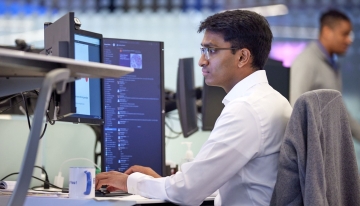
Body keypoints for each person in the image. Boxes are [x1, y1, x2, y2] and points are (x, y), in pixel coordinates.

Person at [96, 10, 292, 206]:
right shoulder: (273, 100)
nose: (202, 61)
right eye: (202, 50)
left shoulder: (246, 110)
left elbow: (187, 193)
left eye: (212, 50)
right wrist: (159, 182)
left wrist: (129, 182)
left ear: (242, 57)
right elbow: (216, 183)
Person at [290, 9, 360, 141]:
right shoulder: (306, 61)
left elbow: (339, 112)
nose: (349, 40)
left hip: (327, 149)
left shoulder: (331, 64)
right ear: (327, 31)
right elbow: (296, 110)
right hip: (314, 153)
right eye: (344, 34)